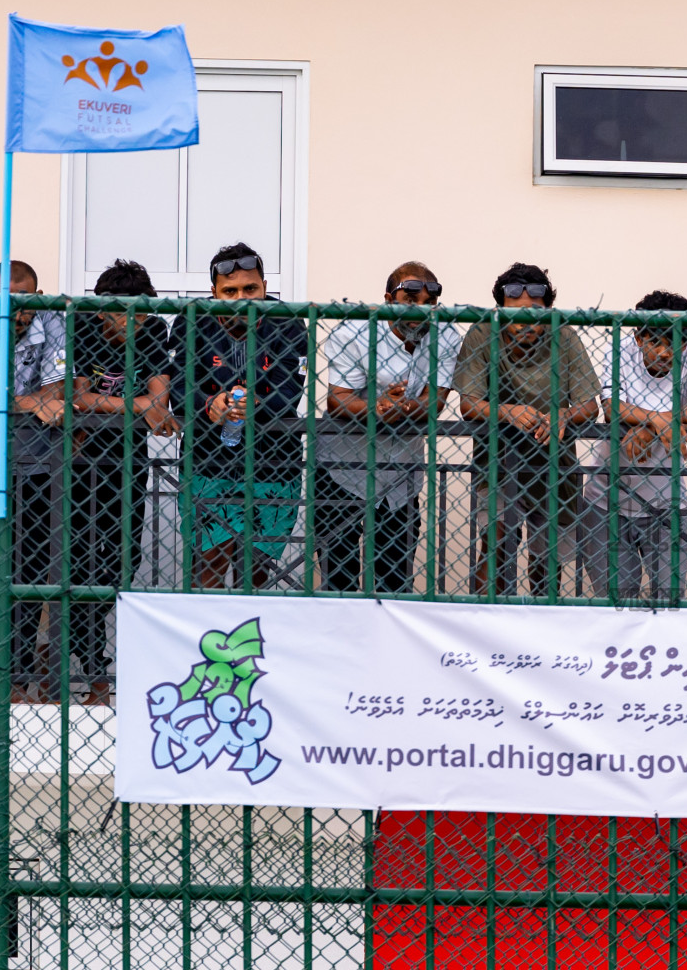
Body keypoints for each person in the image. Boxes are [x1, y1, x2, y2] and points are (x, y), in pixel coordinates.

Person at [68, 259, 177, 704]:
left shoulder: (153, 332)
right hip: (74, 464)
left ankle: (101, 665)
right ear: (101, 310)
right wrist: (136, 407)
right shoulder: (80, 326)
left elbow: (160, 394)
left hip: (126, 464)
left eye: (141, 314)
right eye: (122, 314)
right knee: (78, 563)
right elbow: (78, 397)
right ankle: (89, 667)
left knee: (119, 561)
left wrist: (140, 404)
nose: (133, 324)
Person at [454, 263, 599, 596]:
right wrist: (508, 412)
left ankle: (542, 623)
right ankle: (487, 622)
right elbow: (468, 403)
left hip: (554, 461)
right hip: (498, 457)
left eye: (536, 312)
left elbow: (590, 406)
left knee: (547, 556)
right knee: (496, 543)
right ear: (500, 311)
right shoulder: (483, 332)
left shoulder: (563, 334)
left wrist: (563, 415)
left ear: (548, 310)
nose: (527, 321)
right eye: (516, 313)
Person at [315, 262, 460, 594]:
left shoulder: (447, 335)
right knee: (339, 581)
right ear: (387, 299)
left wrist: (406, 406)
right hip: (342, 470)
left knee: (394, 581)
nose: (419, 309)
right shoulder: (355, 332)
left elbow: (434, 402)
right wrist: (377, 408)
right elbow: (337, 400)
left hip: (400, 475)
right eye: (410, 300)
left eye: (428, 302)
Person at [170, 243, 307, 589]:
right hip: (207, 462)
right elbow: (178, 389)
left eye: (251, 289)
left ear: (264, 287)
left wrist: (257, 406)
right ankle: (205, 639)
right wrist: (209, 404)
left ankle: (248, 639)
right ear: (213, 293)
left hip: (273, 462)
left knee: (256, 570)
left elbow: (290, 392)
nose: (242, 298)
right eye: (230, 291)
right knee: (208, 565)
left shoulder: (288, 320)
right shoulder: (191, 318)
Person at [580, 290, 687, 601]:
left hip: (667, 504)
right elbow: (612, 407)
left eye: (674, 342)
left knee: (668, 602)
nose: (666, 352)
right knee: (615, 602)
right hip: (606, 502)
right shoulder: (620, 347)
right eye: (655, 341)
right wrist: (661, 420)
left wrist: (650, 427)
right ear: (639, 338)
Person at [4, 261, 68, 702]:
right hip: (1, 462)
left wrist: (24, 401)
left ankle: (20, 675)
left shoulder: (52, 320)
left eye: (25, 300)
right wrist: (28, 400)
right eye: (6, 300)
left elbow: (58, 392)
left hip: (36, 466)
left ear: (37, 294)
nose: (17, 311)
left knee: (28, 571)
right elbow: (35, 400)